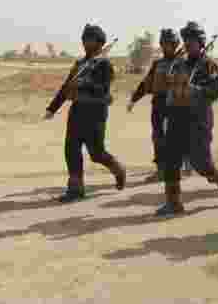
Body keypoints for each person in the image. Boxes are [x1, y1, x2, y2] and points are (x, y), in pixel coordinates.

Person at [155, 22, 218, 215]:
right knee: (170, 159)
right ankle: (173, 202)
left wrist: (195, 90)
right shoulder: (178, 63)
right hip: (176, 116)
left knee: (201, 162)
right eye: (186, 40)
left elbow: (215, 91)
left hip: (198, 118)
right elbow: (169, 88)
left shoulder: (209, 65)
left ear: (200, 43)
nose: (188, 44)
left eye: (192, 40)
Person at [45, 24, 127, 201]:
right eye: (84, 39)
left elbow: (104, 90)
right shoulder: (80, 64)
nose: (85, 43)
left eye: (90, 40)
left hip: (95, 113)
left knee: (96, 153)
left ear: (99, 43)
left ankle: (118, 169)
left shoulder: (104, 65)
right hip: (77, 112)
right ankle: (76, 189)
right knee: (71, 150)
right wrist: (52, 108)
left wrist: (83, 84)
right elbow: (66, 88)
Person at [128, 28, 182, 184]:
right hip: (158, 103)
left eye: (170, 44)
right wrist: (134, 99)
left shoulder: (182, 63)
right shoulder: (158, 64)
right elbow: (146, 83)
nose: (167, 47)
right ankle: (161, 170)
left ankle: (179, 165)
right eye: (164, 44)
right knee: (158, 136)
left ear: (176, 44)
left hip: (176, 104)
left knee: (175, 137)